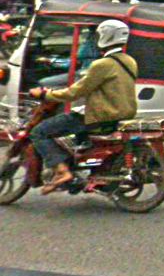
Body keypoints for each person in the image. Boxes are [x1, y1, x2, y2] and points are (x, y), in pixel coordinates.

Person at [28, 19, 138, 194]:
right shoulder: (129, 61)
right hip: (121, 114)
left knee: (39, 132)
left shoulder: (102, 64)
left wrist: (45, 94)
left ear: (105, 37)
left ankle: (62, 171)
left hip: (100, 117)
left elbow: (75, 92)